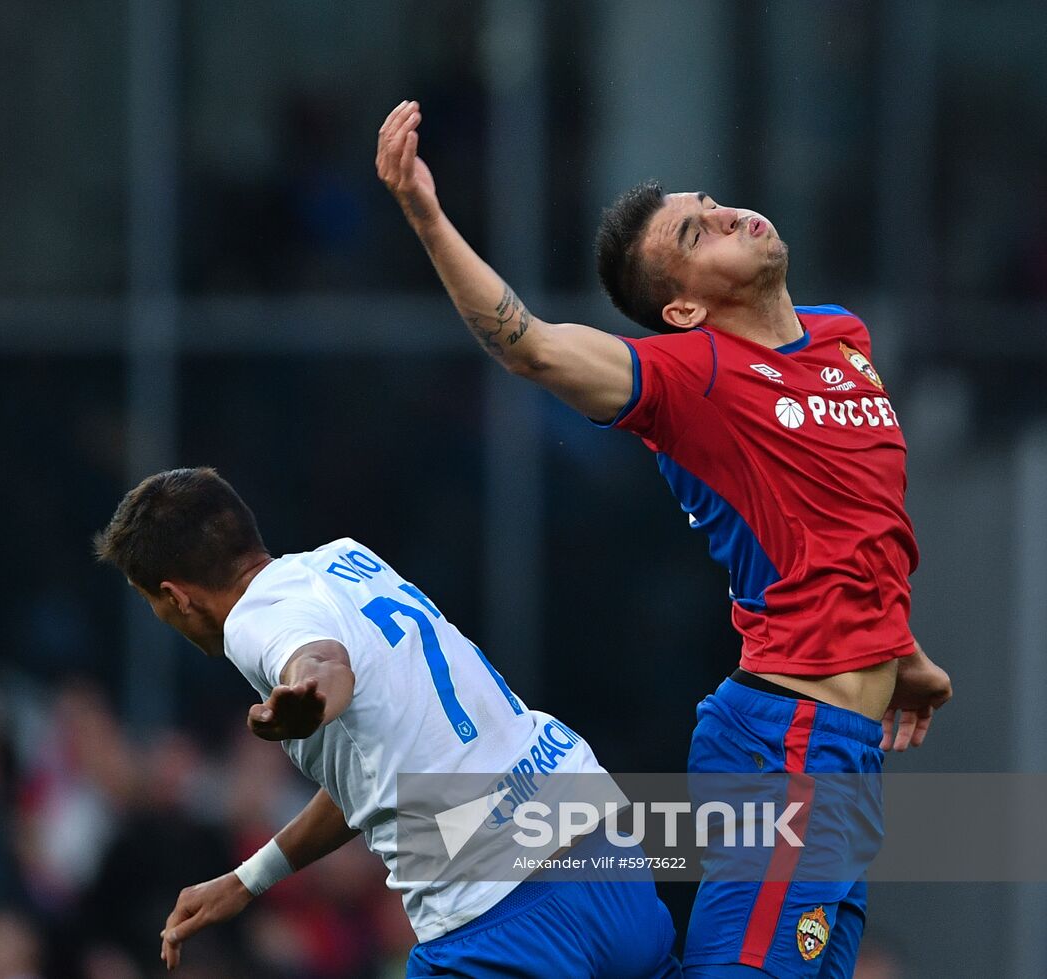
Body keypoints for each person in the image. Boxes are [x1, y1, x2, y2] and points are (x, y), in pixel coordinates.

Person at [375, 100, 953, 978]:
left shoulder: (845, 336)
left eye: (712, 203)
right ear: (682, 308)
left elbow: (847, 508)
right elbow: (528, 345)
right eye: (697, 231)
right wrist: (426, 212)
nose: (725, 214)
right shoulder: (689, 378)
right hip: (783, 740)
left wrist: (896, 644)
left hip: (843, 748)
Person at [93, 467, 682, 977]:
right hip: (602, 855)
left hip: (499, 912)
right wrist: (249, 879)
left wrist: (310, 696)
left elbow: (322, 661)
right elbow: (369, 779)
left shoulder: (257, 623)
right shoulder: (345, 561)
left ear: (175, 596)